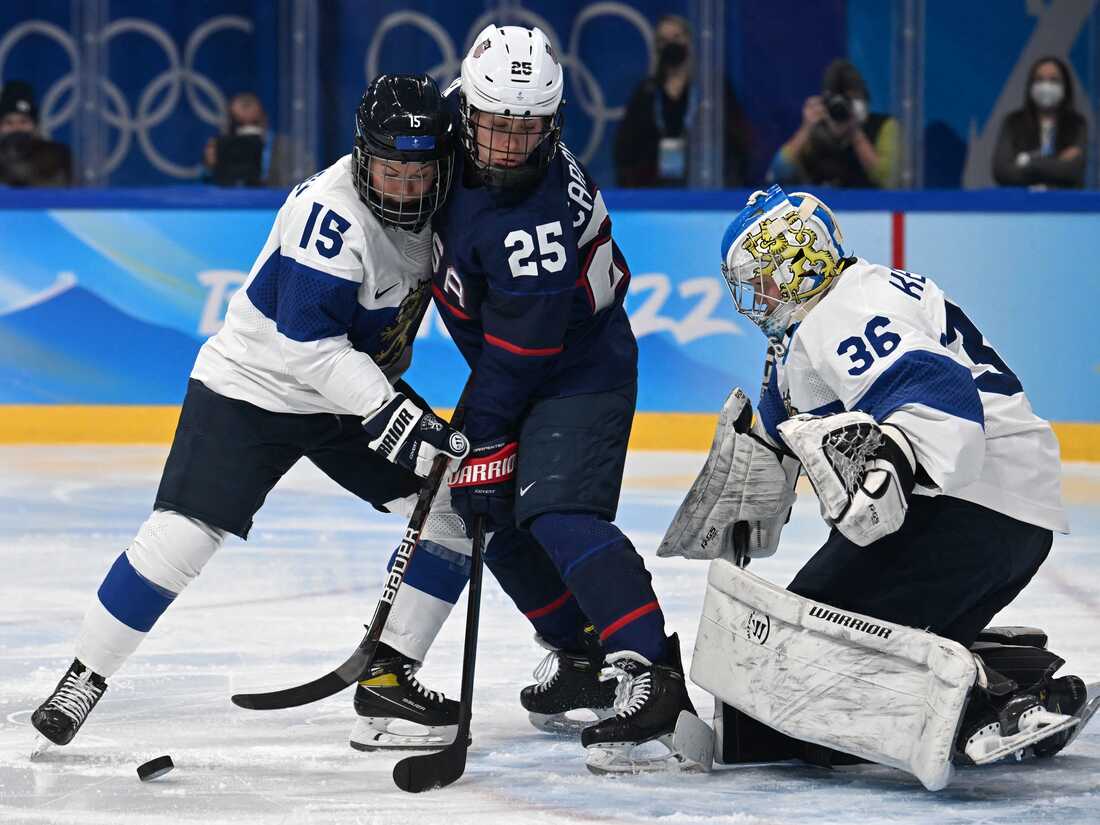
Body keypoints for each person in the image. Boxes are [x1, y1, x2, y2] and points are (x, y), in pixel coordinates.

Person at [30, 74, 472, 753]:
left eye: (419, 170)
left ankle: (387, 679)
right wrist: (392, 413)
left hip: (349, 388)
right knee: (182, 534)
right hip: (255, 384)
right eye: (390, 169)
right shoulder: (333, 215)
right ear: (363, 158)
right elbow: (309, 345)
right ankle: (84, 675)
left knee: (455, 506)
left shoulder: (440, 185)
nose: (406, 186)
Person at [353, 24, 703, 774]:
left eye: (527, 130)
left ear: (553, 123)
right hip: (520, 362)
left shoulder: (532, 224)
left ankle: (652, 671)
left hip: (578, 367)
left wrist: (476, 433)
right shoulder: (450, 116)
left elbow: (523, 353)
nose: (510, 146)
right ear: (466, 106)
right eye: (495, 126)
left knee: (558, 511)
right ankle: (580, 655)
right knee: (493, 519)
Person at [662, 184, 1086, 779]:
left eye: (762, 276)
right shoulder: (823, 315)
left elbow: (937, 400)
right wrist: (751, 491)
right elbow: (789, 426)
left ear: (798, 262)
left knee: (801, 677)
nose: (755, 294)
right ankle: (1014, 669)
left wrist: (894, 460)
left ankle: (992, 704)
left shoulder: (842, 311)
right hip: (998, 511)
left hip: (973, 507)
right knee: (793, 661)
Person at [613, 14, 749, 187]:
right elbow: (625, 149)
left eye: (677, 37)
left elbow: (737, 142)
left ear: (690, 42)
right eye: (664, 40)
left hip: (704, 186)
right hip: (652, 190)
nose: (671, 44)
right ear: (657, 47)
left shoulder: (711, 90)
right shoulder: (646, 92)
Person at [767, 59, 898, 188]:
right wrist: (806, 128)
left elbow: (889, 181)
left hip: (870, 207)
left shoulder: (884, 126)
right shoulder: (815, 130)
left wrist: (855, 133)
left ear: (863, 102)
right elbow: (778, 174)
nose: (841, 108)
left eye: (848, 101)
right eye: (835, 102)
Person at [992, 56, 1086, 189]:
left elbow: (1072, 172)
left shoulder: (1076, 124)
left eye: (1054, 80)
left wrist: (1027, 162)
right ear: (1031, 86)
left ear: (1065, 87)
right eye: (1039, 79)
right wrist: (1057, 163)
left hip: (1063, 204)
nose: (1046, 86)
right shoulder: (1013, 122)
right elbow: (1001, 171)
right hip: (1023, 204)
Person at [203, 92, 294, 187]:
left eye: (254, 124)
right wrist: (210, 166)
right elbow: (205, 182)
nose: (248, 133)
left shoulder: (286, 146)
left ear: (264, 119)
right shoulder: (219, 145)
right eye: (239, 124)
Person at [0, 80, 72, 187]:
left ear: (35, 126)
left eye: (23, 122)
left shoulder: (56, 156)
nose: (16, 128)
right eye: (9, 123)